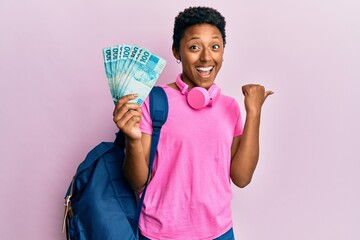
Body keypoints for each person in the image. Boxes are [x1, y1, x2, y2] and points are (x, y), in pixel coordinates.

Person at [113, 6, 273, 240]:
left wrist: (254, 112)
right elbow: (137, 180)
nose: (206, 57)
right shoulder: (154, 101)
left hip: (219, 233)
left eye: (215, 47)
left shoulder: (230, 107)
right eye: (194, 47)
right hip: (160, 234)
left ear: (223, 52)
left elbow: (241, 177)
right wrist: (133, 139)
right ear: (177, 52)